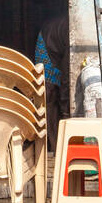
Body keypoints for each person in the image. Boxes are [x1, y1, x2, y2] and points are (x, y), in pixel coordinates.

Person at [33, 15, 67, 150]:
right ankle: (53, 147)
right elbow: (66, 77)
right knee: (48, 96)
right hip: (47, 44)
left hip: (61, 49)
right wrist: (66, 114)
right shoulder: (70, 34)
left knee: (67, 97)